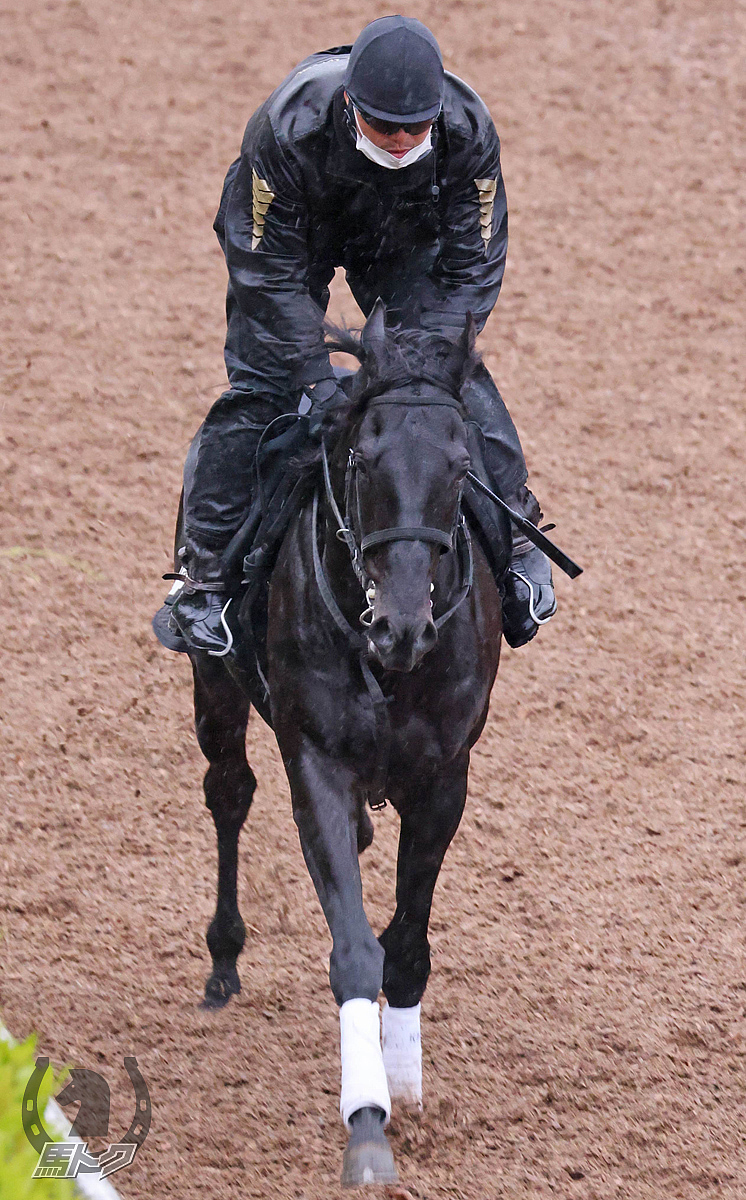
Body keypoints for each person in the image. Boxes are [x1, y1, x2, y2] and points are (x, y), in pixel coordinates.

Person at [166, 14, 556, 655]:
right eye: (383, 125)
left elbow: (472, 268)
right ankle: (203, 577)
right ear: (350, 103)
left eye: (415, 126)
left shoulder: (466, 130)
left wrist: (430, 364)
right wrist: (317, 383)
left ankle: (517, 539)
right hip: (295, 244)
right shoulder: (286, 130)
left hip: (403, 244)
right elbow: (268, 276)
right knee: (262, 390)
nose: (402, 141)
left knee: (453, 387)